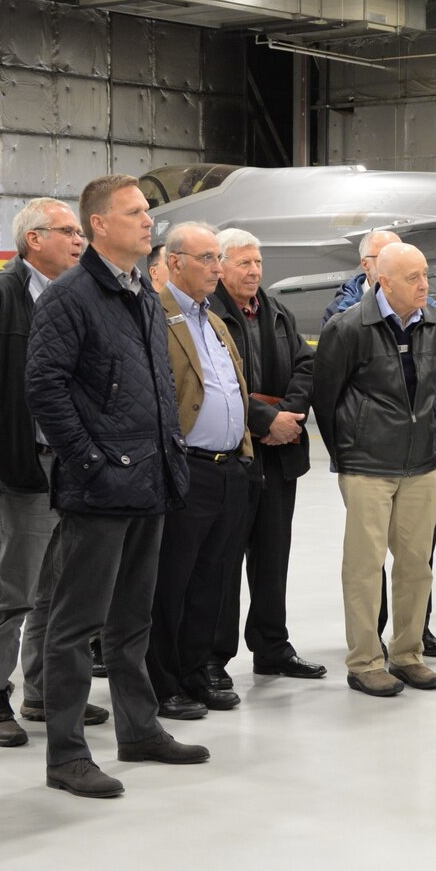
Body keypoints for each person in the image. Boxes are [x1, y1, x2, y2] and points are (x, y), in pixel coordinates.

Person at [25, 174, 209, 798]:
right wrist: (88, 462)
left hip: (150, 481)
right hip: (100, 489)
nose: (147, 221)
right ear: (99, 224)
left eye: (147, 212)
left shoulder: (141, 295)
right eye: (135, 213)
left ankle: (138, 728)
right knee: (76, 628)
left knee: (133, 620)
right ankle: (67, 754)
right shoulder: (70, 297)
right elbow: (44, 389)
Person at [0, 196, 107, 746]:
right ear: (33, 240)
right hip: (21, 467)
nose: (79, 240)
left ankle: (45, 691)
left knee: (59, 587)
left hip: (75, 466)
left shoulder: (80, 297)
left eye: (79, 232)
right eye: (67, 231)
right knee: (14, 589)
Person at [312, 243, 436, 696]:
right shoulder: (348, 327)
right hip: (367, 465)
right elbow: (326, 396)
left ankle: (407, 654)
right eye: (413, 278)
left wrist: (422, 415)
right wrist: (349, 452)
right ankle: (364, 661)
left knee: (417, 565)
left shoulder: (433, 322)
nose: (424, 285)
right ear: (384, 282)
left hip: (421, 463)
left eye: (426, 275)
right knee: (364, 565)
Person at [210, 227, 326, 680]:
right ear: (220, 266)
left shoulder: (276, 313)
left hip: (278, 457)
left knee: (273, 556)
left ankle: (272, 646)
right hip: (233, 456)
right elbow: (213, 384)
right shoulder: (210, 315)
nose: (254, 271)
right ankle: (213, 657)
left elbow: (305, 365)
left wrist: (290, 415)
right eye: (244, 262)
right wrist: (265, 420)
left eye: (257, 262)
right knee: (223, 561)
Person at [148, 222, 253, 718]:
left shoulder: (213, 319)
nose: (218, 267)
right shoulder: (155, 313)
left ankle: (195, 672)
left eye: (218, 258)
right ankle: (162, 681)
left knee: (211, 580)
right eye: (208, 258)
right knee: (173, 582)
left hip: (228, 468)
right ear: (174, 262)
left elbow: (233, 386)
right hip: (185, 467)